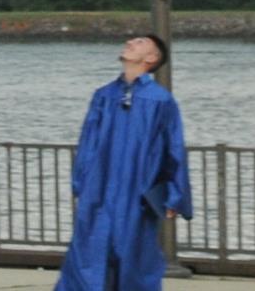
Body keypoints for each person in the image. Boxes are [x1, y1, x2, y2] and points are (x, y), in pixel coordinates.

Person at [54, 35, 191, 291]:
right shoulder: (104, 95)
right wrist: (81, 182)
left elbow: (173, 148)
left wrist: (174, 195)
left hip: (136, 192)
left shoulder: (160, 101)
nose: (130, 42)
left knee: (133, 261)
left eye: (139, 42)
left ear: (151, 59)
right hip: (99, 191)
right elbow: (88, 143)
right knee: (86, 258)